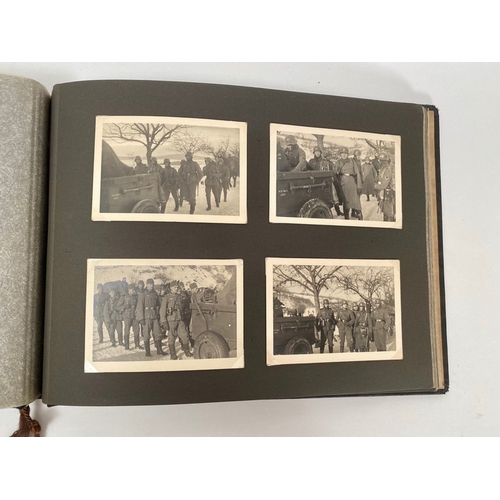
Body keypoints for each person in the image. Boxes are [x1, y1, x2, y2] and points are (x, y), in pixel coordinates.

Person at [160, 281, 193, 360]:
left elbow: (182, 307)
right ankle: (173, 354)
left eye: (177, 287)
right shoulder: (166, 297)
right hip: (171, 320)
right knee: (171, 337)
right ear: (171, 288)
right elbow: (162, 310)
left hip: (180, 319)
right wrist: (163, 321)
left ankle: (186, 351)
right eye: (175, 287)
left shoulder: (179, 296)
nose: (176, 288)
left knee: (184, 335)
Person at [135, 278, 166, 357]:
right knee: (146, 335)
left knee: (157, 333)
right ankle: (147, 352)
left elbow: (159, 304)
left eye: (152, 284)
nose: (151, 286)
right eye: (149, 284)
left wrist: (159, 315)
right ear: (147, 285)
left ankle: (159, 350)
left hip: (154, 316)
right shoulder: (143, 294)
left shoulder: (155, 294)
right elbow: (139, 307)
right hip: (146, 317)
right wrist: (141, 318)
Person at [334, 147, 363, 220]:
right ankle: (346, 217)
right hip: (343, 184)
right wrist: (337, 183)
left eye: (345, 153)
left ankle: (360, 216)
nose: (344, 155)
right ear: (340, 154)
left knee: (355, 201)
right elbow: (334, 174)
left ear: (347, 154)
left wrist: (359, 186)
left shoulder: (352, 161)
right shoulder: (338, 162)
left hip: (352, 183)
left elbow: (357, 174)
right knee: (346, 201)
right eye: (342, 153)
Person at [374, 153, 396, 222]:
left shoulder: (387, 169)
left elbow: (384, 184)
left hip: (388, 194)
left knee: (389, 213)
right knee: (385, 212)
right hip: (383, 193)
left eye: (381, 161)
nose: (379, 162)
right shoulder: (382, 169)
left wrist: (375, 186)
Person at [122, 286, 143, 350]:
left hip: (135, 316)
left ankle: (137, 344)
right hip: (127, 317)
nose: (133, 291)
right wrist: (125, 306)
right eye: (132, 290)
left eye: (134, 290)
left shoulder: (137, 297)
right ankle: (126, 345)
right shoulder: (124, 297)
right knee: (127, 331)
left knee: (136, 330)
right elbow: (118, 306)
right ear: (129, 290)